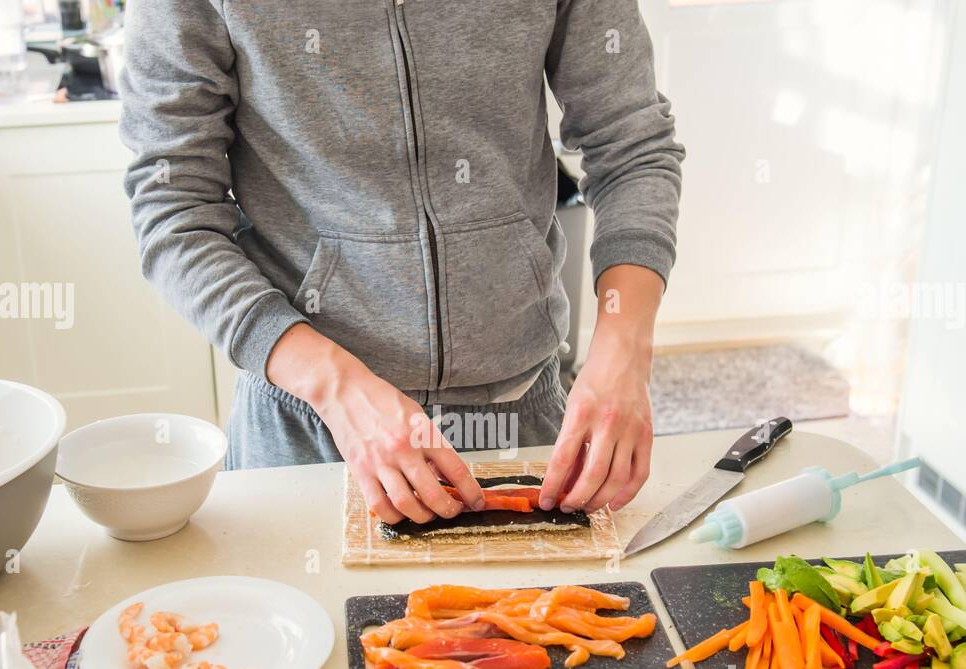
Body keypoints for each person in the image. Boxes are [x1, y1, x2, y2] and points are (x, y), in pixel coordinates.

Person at [119, 0, 683, 526]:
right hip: (307, 427)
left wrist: (623, 353)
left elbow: (633, 147)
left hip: (522, 414)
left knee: (550, 629)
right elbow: (175, 208)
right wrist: (335, 386)